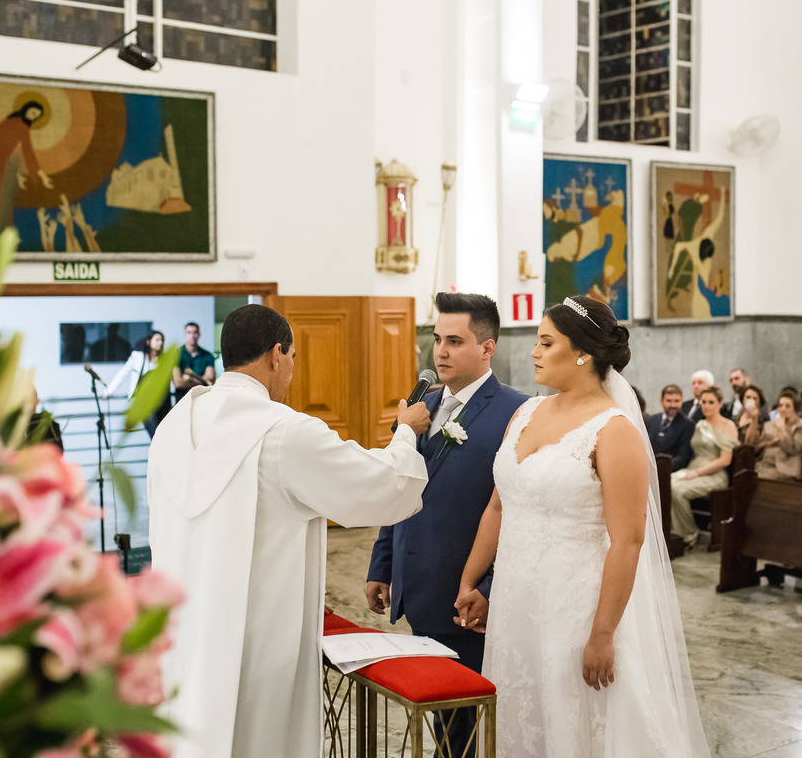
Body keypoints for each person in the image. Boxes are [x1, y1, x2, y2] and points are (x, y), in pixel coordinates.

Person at [146, 304, 430, 758]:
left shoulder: (174, 426)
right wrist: (406, 435)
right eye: (294, 356)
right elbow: (382, 485)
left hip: (185, 630)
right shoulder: (282, 432)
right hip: (257, 640)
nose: (293, 369)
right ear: (277, 355)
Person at [456, 296, 710, 757]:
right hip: (516, 602)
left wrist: (603, 633)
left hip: (577, 608)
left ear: (583, 353)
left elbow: (628, 541)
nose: (534, 351)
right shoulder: (526, 413)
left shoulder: (614, 432)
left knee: (577, 725)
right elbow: (498, 506)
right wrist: (472, 580)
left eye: (546, 342)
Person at [365, 293, 527, 757]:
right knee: (443, 720)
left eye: (455, 341)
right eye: (437, 340)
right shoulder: (422, 406)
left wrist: (490, 587)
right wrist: (383, 564)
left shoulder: (515, 412)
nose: (440, 352)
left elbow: (517, 511)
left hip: (466, 597)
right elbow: (398, 486)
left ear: (487, 347)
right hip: (416, 589)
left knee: (466, 724)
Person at [0, 100, 54, 235]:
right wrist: (17, 172)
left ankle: (5, 228)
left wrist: (41, 175)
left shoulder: (22, 127)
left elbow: (27, 151)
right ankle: (1, 228)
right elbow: (7, 146)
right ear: (26, 109)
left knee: (0, 195)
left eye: (36, 115)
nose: (34, 116)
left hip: (0, 162)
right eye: (33, 112)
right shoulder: (13, 123)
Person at [669, 385, 739, 546]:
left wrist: (698, 473)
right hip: (693, 469)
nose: (706, 405)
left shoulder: (728, 426)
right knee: (665, 483)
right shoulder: (700, 424)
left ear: (720, 404)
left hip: (714, 475)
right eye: (704, 402)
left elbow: (725, 460)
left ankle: (689, 533)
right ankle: (671, 532)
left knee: (678, 490)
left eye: (711, 402)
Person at [105, 330, 172, 438]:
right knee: (155, 434)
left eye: (162, 340)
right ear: (149, 342)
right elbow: (123, 373)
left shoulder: (164, 360)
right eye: (157, 340)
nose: (160, 343)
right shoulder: (138, 357)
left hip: (160, 404)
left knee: (163, 435)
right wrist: (108, 391)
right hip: (144, 403)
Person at [753, 390, 802, 480]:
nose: (783, 409)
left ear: (794, 408)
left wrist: (782, 429)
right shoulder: (769, 425)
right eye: (780, 405)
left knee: (763, 477)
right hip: (764, 464)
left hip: (785, 468)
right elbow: (758, 447)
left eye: (787, 406)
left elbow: (793, 449)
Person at [647, 383, 696, 471]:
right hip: (647, 469)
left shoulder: (688, 425)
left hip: (670, 472)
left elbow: (683, 457)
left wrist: (660, 469)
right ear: (661, 401)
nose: (673, 405)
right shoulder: (651, 420)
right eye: (669, 401)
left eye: (676, 401)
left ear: (681, 401)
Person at [172, 321, 215, 402]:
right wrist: (201, 381)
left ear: (199, 334)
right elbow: (178, 383)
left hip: (202, 400)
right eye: (189, 332)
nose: (192, 336)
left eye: (195, 332)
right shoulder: (176, 355)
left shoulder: (208, 355)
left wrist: (189, 378)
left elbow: (210, 379)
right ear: (185, 334)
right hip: (181, 401)